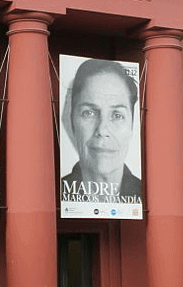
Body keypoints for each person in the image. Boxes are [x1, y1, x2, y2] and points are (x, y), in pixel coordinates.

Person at [60, 58, 142, 200]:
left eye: (117, 115)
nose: (102, 130)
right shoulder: (52, 193)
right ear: (72, 121)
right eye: (89, 113)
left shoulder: (148, 195)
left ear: (132, 125)